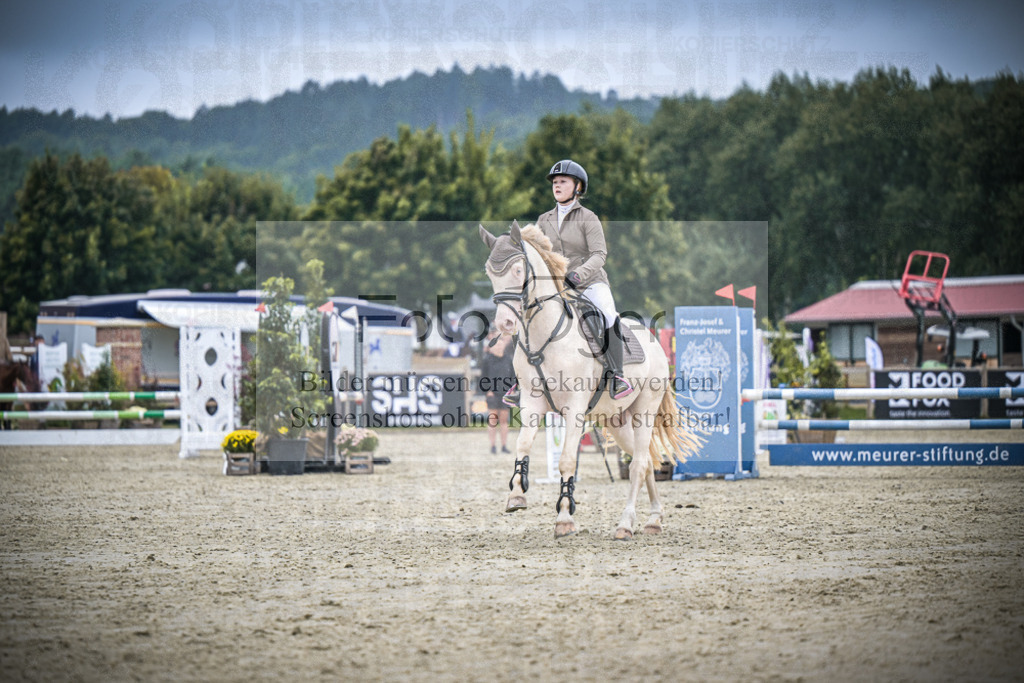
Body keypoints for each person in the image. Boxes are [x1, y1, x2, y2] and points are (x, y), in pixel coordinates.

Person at [536, 159, 633, 400]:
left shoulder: (588, 218)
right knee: (527, 314)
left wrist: (577, 275)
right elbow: (538, 255)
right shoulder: (543, 220)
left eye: (563, 182)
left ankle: (617, 375)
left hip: (589, 282)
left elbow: (600, 254)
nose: (557, 186)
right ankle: (522, 380)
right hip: (556, 286)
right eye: (554, 182)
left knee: (609, 313)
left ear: (578, 186)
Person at [479, 329, 516, 453]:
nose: (499, 346)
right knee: (493, 421)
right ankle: (493, 446)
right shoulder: (487, 360)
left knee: (504, 421)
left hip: (505, 394)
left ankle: (504, 446)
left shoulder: (508, 359)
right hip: (492, 394)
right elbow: (483, 378)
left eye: (500, 344)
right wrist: (487, 391)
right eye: (496, 345)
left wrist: (512, 390)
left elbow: (512, 377)